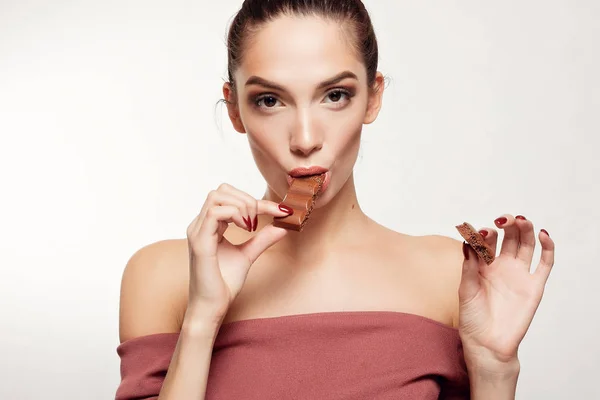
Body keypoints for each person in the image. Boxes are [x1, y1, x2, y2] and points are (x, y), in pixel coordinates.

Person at [115, 1, 556, 399]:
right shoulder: (164, 276)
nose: (305, 139)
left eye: (335, 95)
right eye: (269, 100)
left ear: (373, 97)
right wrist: (202, 318)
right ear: (235, 110)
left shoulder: (452, 276)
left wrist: (495, 368)